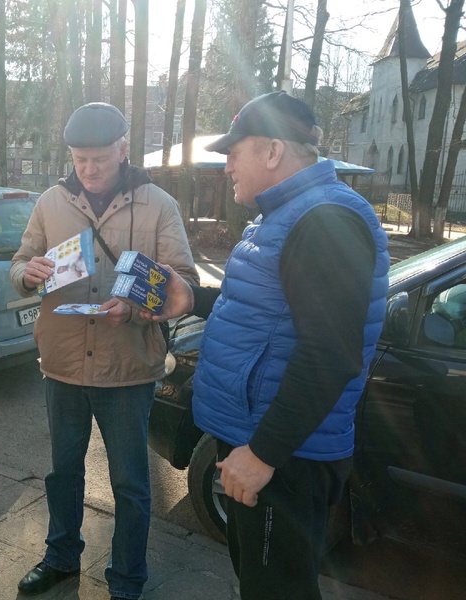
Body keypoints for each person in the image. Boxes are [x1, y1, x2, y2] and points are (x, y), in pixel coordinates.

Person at [141, 91, 391, 599]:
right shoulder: (287, 214)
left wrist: (262, 454)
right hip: (265, 445)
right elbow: (267, 310)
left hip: (284, 458)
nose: (226, 163)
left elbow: (330, 354)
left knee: (277, 591)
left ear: (273, 152)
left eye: (235, 151)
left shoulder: (323, 220)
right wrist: (192, 297)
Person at [10, 102, 199, 600]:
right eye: (79, 160)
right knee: (63, 472)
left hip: (128, 369)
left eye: (99, 159)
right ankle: (60, 557)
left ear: (123, 149)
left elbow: (185, 287)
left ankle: (127, 579)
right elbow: (21, 260)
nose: (89, 170)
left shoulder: (158, 204)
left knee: (132, 485)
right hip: (64, 365)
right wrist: (25, 274)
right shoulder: (50, 202)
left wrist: (135, 310)